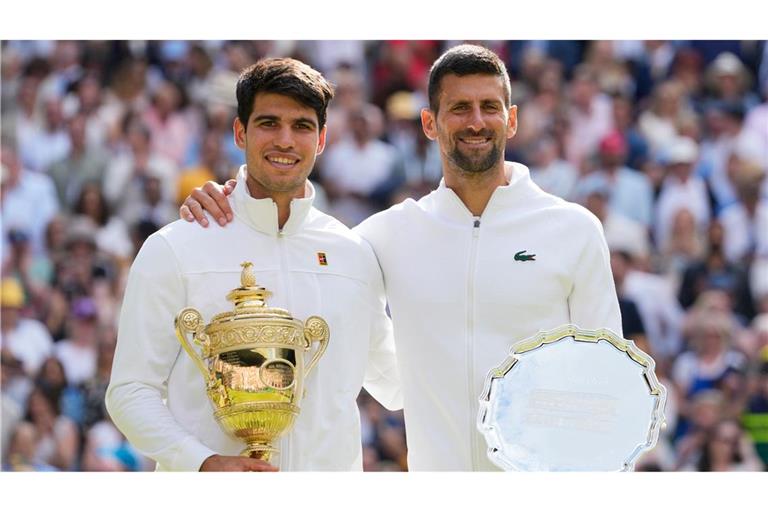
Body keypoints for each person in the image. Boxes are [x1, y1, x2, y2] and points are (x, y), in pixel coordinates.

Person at [181, 45, 622, 471]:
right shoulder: (383, 236)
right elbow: (288, 244)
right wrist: (230, 205)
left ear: (512, 120)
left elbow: (609, 380)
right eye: (459, 108)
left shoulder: (575, 230)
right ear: (429, 123)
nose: (476, 121)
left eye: (490, 107)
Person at [106, 57, 401, 472]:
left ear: (321, 139)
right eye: (268, 123)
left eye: (301, 126)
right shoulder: (175, 247)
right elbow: (129, 392)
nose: (285, 140)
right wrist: (203, 462)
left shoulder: (353, 253)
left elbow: (395, 383)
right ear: (240, 131)